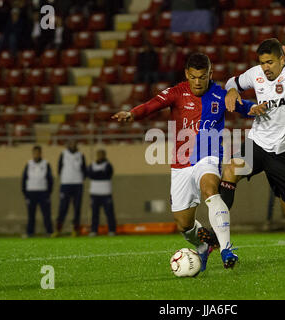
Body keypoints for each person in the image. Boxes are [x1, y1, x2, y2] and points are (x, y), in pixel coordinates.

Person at [112, 52, 264, 271]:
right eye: (193, 77)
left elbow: (244, 106)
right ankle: (203, 246)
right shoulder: (176, 92)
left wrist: (254, 108)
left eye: (202, 77)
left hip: (209, 156)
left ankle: (226, 248)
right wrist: (131, 114)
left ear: (210, 74)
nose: (197, 82)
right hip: (181, 162)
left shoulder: (220, 95)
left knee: (210, 189)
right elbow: (151, 105)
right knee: (183, 224)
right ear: (186, 74)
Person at [215, 38, 285, 270]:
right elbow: (233, 81)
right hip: (257, 145)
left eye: (270, 62)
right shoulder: (256, 73)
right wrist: (231, 90)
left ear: (282, 59)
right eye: (262, 63)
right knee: (230, 170)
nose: (265, 68)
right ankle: (218, 237)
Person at [53, 140, 87, 237]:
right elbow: (59, 169)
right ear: (67, 145)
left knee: (77, 208)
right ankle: (58, 230)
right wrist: (66, 178)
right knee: (63, 207)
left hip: (78, 185)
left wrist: (79, 179)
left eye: (74, 143)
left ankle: (75, 230)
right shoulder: (63, 154)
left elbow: (84, 170)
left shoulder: (81, 155)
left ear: (77, 144)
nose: (72, 145)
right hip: (65, 185)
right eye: (71, 143)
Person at [21, 145, 54, 237]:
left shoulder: (46, 164)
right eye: (34, 152)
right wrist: (25, 193)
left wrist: (48, 192)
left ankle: (49, 232)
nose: (36, 154)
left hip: (43, 192)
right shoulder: (29, 164)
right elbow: (24, 179)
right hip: (31, 192)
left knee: (46, 214)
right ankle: (30, 232)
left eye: (38, 152)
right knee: (31, 215)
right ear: (32, 153)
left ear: (40, 153)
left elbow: (50, 179)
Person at [88, 149, 117, 236]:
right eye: (98, 154)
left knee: (109, 213)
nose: (100, 156)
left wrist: (96, 174)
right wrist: (99, 174)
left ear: (104, 155)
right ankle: (94, 230)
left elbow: (107, 175)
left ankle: (112, 230)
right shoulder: (92, 165)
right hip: (94, 193)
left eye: (102, 154)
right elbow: (90, 175)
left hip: (106, 192)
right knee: (94, 213)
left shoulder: (108, 165)